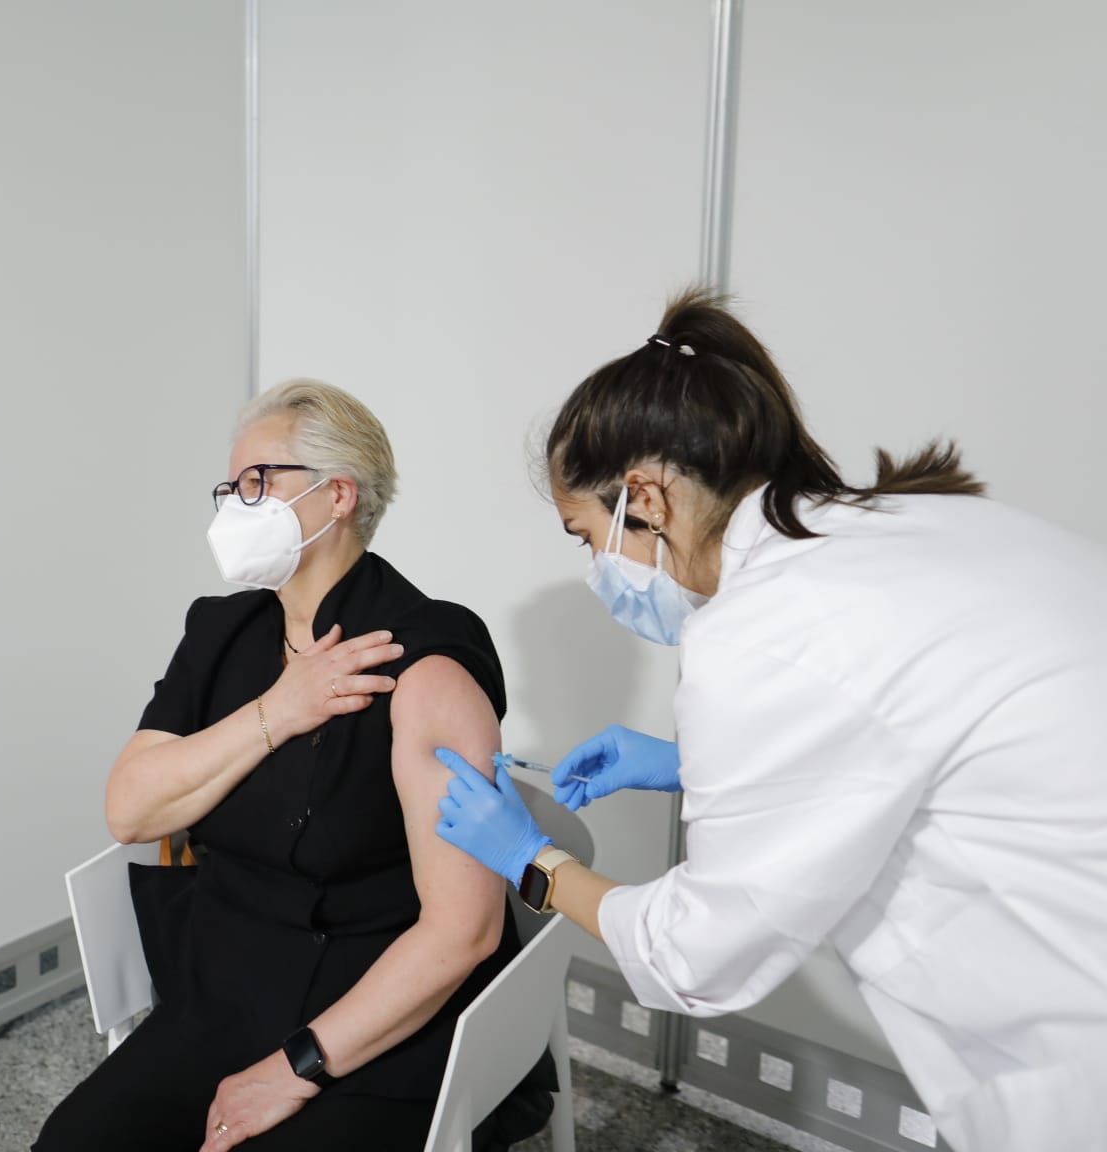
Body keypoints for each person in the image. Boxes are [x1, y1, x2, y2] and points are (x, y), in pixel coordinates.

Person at [430, 288, 1107, 1152]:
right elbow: (896, 726)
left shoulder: (764, 635)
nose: (594, 567)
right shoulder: (902, 523)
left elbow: (695, 961)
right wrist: (688, 763)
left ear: (644, 497)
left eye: (583, 534)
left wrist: (535, 864)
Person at [36, 380, 553, 1151]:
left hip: (381, 1020)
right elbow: (130, 810)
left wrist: (295, 1067)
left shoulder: (425, 662)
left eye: (256, 483)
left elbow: (463, 932)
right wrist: (280, 711)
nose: (233, 507)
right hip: (218, 994)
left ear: (337, 494)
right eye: (229, 487)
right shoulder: (219, 632)